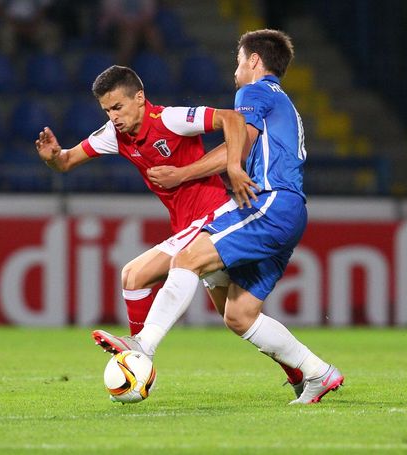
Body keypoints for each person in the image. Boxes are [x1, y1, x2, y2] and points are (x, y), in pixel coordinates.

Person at [92, 30, 344, 405]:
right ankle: (318, 373)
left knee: (187, 258)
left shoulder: (254, 92)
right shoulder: (282, 100)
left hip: (269, 201)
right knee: (239, 315)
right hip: (290, 210)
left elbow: (239, 140)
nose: (236, 70)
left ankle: (142, 345)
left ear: (255, 62)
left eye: (239, 61)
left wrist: (184, 173)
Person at [35, 64, 307, 386]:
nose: (113, 117)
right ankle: (300, 370)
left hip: (215, 216)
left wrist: (232, 165)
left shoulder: (171, 119)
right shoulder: (115, 135)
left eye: (118, 107)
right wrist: (53, 156)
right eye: (107, 110)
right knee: (238, 317)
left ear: (140, 98)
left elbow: (230, 119)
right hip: (188, 227)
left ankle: (139, 355)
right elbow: (66, 160)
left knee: (133, 276)